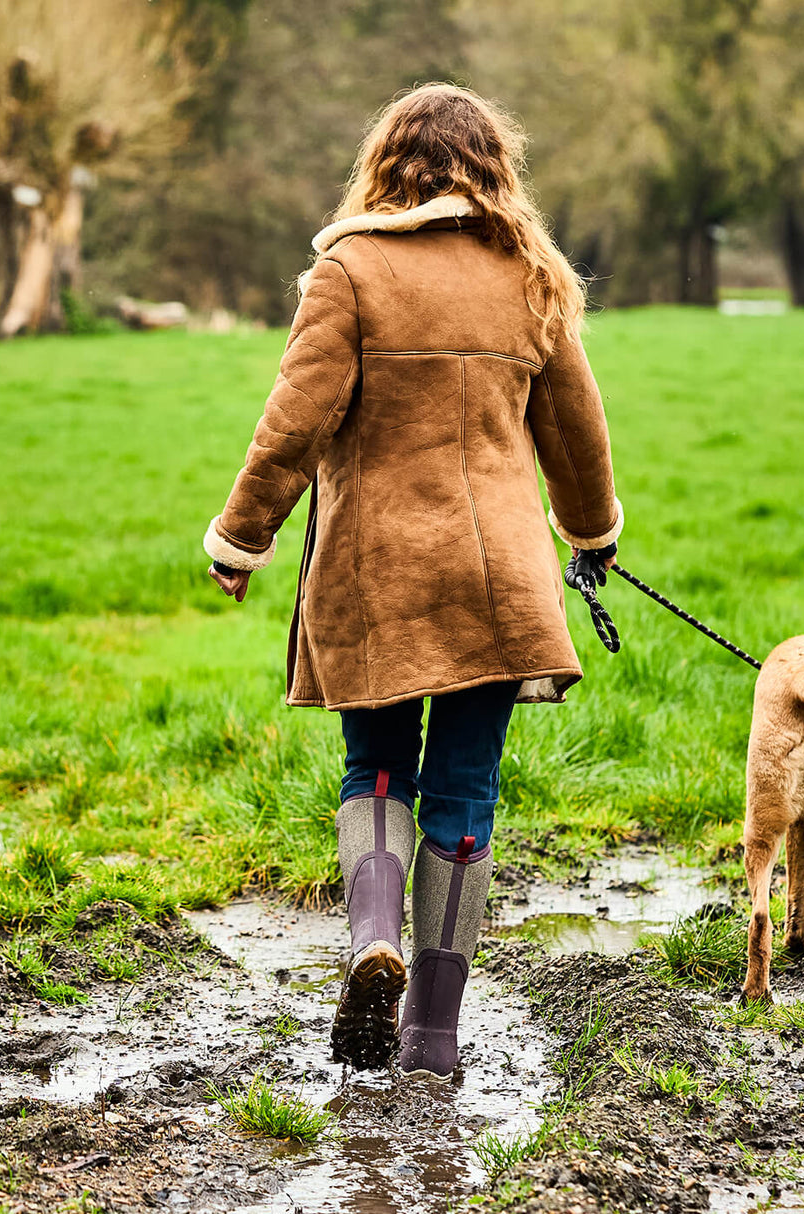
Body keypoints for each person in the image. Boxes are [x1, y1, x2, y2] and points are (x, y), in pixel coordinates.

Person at [203, 83, 621, 1080]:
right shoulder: (531, 276)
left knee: (378, 765)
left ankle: (372, 937)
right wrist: (590, 532)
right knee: (467, 783)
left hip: (372, 570)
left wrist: (238, 537)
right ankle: (432, 1037)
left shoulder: (349, 269)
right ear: (494, 169)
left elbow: (293, 421)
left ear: (384, 165)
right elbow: (574, 430)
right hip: (500, 578)